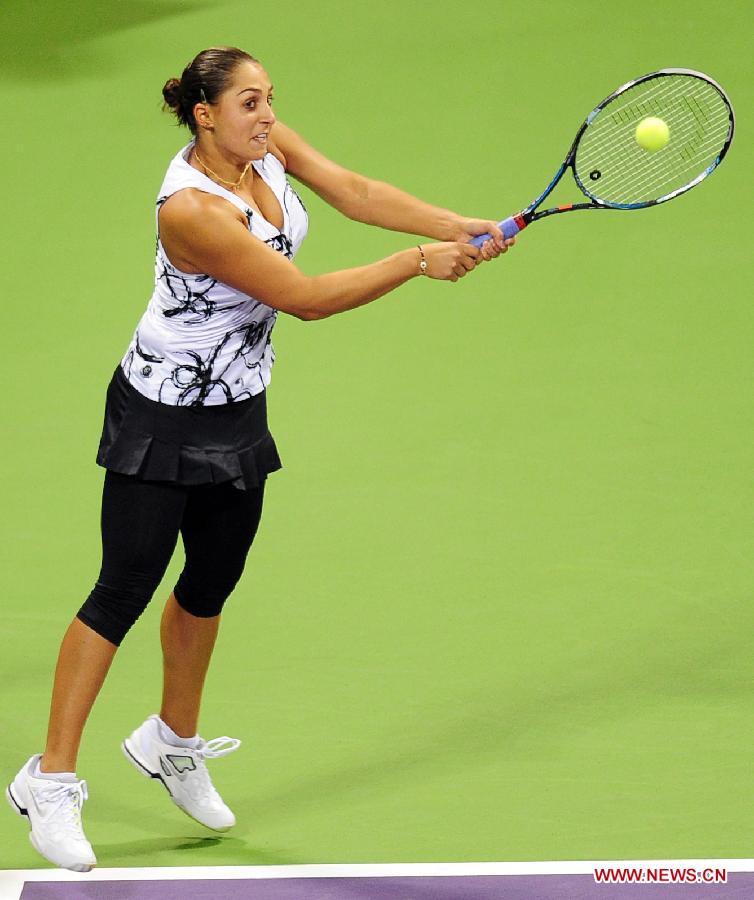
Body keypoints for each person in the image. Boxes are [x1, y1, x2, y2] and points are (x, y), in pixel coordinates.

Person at [5, 46, 515, 873]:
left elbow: (352, 192)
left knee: (211, 580)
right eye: (248, 102)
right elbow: (304, 298)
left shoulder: (263, 146)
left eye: (270, 98)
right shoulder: (191, 209)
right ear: (205, 114)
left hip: (237, 409)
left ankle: (171, 741)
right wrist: (418, 263)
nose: (266, 113)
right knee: (123, 587)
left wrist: (452, 225)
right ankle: (49, 781)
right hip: (160, 414)